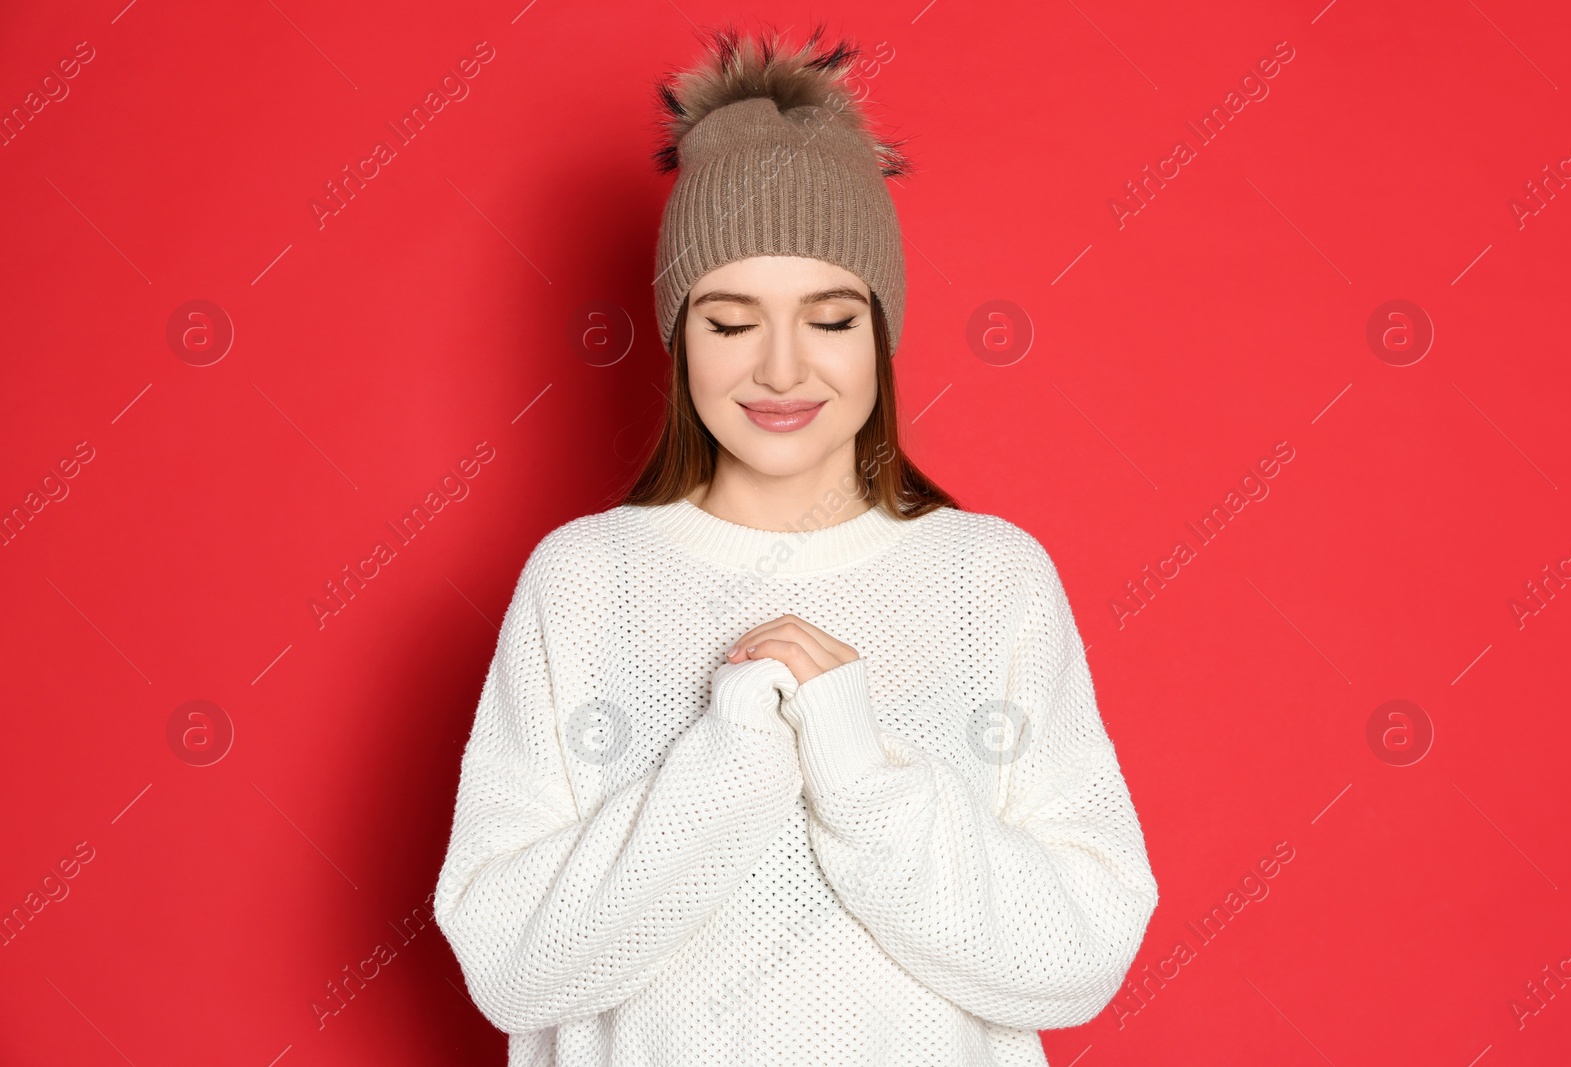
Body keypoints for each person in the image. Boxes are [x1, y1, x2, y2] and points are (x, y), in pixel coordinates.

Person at [432, 23, 1158, 1067]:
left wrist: (861, 778)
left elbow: (1079, 951)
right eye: (730, 323)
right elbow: (507, 967)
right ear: (680, 337)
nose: (781, 368)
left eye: (829, 318)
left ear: (880, 331)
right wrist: (721, 770)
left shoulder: (989, 579)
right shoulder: (584, 582)